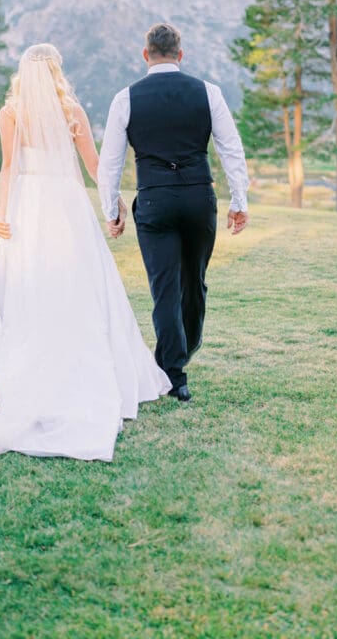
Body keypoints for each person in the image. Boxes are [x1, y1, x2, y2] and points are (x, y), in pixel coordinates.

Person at [0, 43, 170, 465]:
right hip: (65, 205)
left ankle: (43, 352)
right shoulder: (71, 111)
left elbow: (9, 168)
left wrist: (2, 215)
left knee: (36, 280)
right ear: (55, 72)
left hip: (30, 204)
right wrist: (113, 204)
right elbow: (94, 166)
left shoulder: (11, 112)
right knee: (80, 282)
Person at [98, 23, 249, 402]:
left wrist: (110, 208)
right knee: (194, 282)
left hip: (154, 201)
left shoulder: (125, 98)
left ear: (145, 55)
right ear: (180, 55)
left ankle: (174, 369)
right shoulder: (207, 92)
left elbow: (110, 161)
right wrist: (239, 200)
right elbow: (231, 147)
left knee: (166, 289)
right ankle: (179, 357)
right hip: (199, 198)